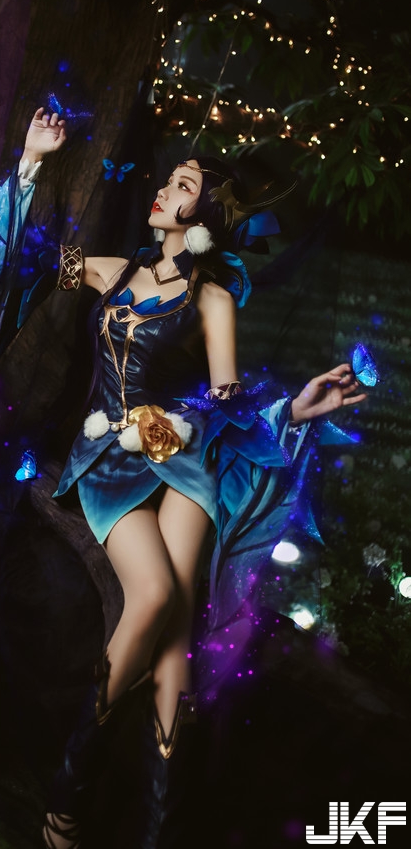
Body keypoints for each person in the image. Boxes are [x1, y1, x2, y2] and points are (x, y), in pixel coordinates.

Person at [18, 109, 367, 849]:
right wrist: (32, 163)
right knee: (152, 596)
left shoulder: (212, 298)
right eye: (169, 180)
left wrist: (295, 409)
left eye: (181, 186)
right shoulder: (112, 270)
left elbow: (227, 400)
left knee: (175, 637)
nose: (162, 190)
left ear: (202, 215)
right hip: (109, 456)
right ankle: (66, 804)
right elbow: (31, 262)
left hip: (182, 455)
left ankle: (159, 832)